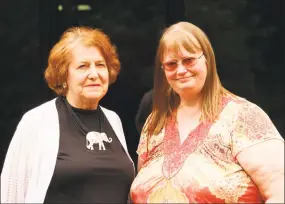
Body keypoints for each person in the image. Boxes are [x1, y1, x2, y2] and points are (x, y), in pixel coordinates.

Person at [130, 22, 284, 203]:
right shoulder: (154, 123)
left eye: (189, 60)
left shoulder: (243, 116)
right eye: (171, 64)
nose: (181, 70)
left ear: (207, 60)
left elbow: (280, 192)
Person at [1, 26, 135, 203]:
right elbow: (11, 193)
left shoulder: (113, 121)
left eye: (100, 65)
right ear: (64, 75)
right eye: (83, 66)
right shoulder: (36, 121)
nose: (94, 74)